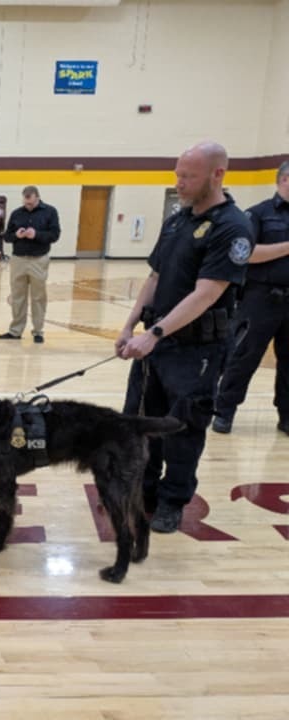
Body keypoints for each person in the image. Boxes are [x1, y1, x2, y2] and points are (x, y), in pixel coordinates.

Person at [116, 141, 253, 534]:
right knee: (142, 421)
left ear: (217, 174)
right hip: (156, 344)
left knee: (183, 427)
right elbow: (155, 277)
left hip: (197, 350)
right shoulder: (177, 221)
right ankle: (142, 490)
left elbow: (206, 294)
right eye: (177, 175)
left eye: (188, 176)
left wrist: (155, 333)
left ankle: (172, 501)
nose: (179, 183)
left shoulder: (232, 227)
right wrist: (130, 325)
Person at [212, 160, 289, 436]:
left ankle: (286, 416)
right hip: (261, 298)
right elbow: (248, 254)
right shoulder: (258, 214)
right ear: (284, 180)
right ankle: (224, 411)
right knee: (243, 356)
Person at [0, 186, 61, 343]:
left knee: (38, 296)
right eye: (26, 203)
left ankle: (38, 331)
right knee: (17, 296)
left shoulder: (50, 212)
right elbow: (7, 236)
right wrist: (16, 235)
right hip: (18, 259)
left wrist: (36, 234)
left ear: (37, 198)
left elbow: (55, 235)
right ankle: (15, 331)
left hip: (38, 259)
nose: (28, 206)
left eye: (31, 203)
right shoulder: (16, 213)